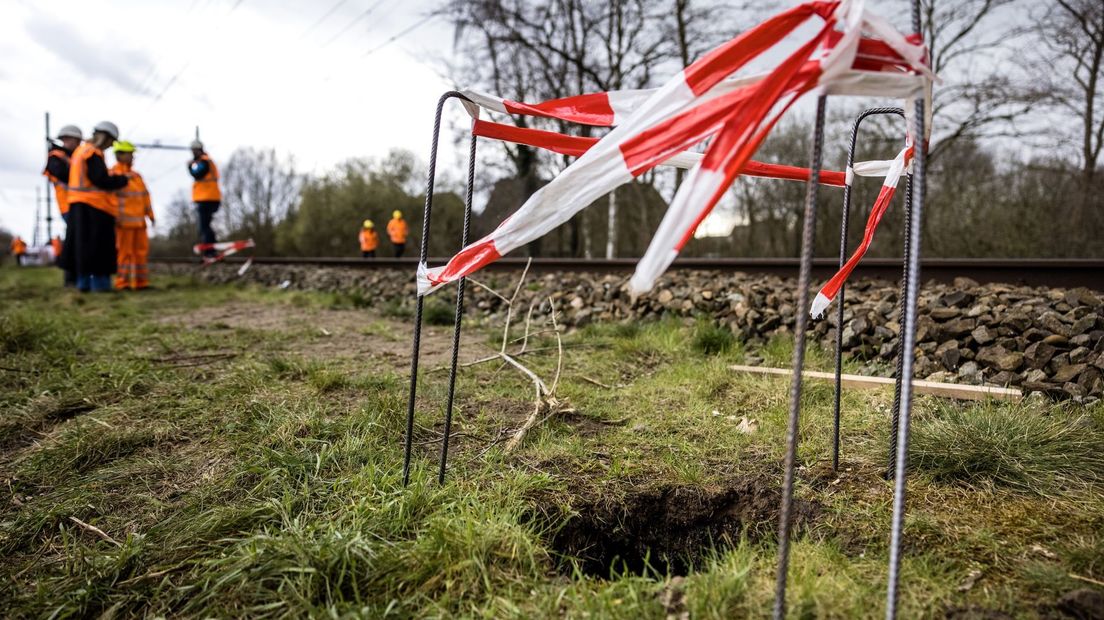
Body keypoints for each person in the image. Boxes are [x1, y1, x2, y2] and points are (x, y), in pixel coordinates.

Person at [61, 121, 129, 292]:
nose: (110, 145)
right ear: (105, 137)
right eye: (111, 141)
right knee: (99, 249)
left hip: (77, 204)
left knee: (82, 248)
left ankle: (84, 284)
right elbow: (100, 179)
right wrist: (121, 180)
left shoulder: (80, 151)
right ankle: (100, 285)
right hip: (94, 207)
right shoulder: (92, 152)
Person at [111, 141, 155, 290]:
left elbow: (145, 197)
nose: (133, 157)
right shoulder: (113, 175)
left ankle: (141, 283)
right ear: (120, 155)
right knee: (124, 254)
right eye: (130, 154)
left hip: (140, 223)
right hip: (123, 223)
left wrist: (151, 215)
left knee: (140, 254)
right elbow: (110, 199)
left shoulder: (136, 176)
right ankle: (122, 284)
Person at [44, 124, 81, 286]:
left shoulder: (75, 156)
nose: (68, 142)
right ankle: (71, 278)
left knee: (79, 239)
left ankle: (78, 276)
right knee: (74, 240)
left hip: (80, 204)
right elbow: (64, 175)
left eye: (70, 139)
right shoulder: (56, 157)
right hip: (68, 205)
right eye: (65, 139)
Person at [188, 140, 221, 257]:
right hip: (210, 197)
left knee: (204, 226)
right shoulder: (205, 161)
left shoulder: (204, 161)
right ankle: (211, 250)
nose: (193, 153)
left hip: (207, 198)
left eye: (194, 150)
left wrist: (190, 166)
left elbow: (197, 173)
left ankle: (210, 251)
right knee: (206, 225)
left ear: (199, 150)